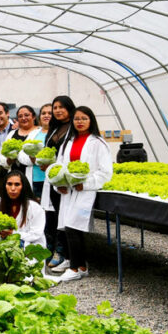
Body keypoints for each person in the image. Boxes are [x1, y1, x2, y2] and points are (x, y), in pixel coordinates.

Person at [50, 106, 113, 281]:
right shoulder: (68, 142)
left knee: (74, 227)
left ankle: (76, 268)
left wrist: (84, 184)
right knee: (67, 227)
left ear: (91, 120)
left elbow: (105, 172)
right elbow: (60, 166)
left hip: (85, 192)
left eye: (84, 118)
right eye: (77, 119)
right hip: (68, 191)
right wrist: (59, 184)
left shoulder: (98, 143)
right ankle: (78, 264)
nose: (80, 122)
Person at [41, 96, 76, 266]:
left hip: (65, 181)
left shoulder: (74, 128)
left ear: (69, 108)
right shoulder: (54, 129)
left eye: (61, 107)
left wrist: (63, 179)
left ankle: (63, 252)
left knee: (64, 217)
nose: (58, 110)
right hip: (52, 178)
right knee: (53, 216)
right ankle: (52, 249)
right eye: (55, 107)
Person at [0, 171, 46, 248]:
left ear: (23, 186)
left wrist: (13, 233)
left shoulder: (35, 207)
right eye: (9, 184)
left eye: (17, 184)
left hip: (31, 249)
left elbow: (36, 234)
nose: (13, 188)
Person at [4, 105, 42, 177]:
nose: (23, 118)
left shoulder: (40, 132)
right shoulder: (12, 134)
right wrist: (9, 160)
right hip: (14, 176)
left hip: (35, 175)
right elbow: (4, 156)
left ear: (33, 117)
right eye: (20, 116)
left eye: (26, 115)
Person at [26, 103, 52, 197]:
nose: (46, 115)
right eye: (43, 113)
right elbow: (22, 153)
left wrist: (37, 160)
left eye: (50, 113)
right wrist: (32, 159)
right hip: (35, 179)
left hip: (51, 178)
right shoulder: (34, 133)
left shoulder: (58, 133)